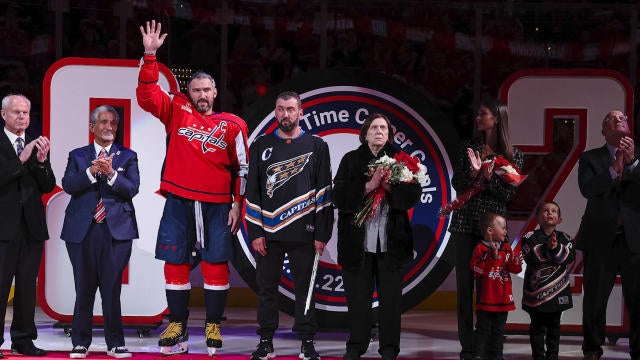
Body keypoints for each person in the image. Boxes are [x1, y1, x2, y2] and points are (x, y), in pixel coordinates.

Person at [136, 20, 249, 356]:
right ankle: (177, 324)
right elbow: (147, 96)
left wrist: (237, 204)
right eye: (196, 89)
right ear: (190, 93)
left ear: (215, 93)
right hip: (179, 200)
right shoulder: (176, 109)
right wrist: (149, 56)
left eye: (207, 90)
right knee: (176, 263)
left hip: (217, 204)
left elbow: (243, 167)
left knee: (216, 264)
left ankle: (213, 324)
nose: (201, 95)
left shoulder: (233, 124)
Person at [245, 91, 332, 360]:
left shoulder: (317, 145)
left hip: (304, 233)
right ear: (275, 111)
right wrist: (256, 232)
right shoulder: (261, 145)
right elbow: (253, 191)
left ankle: (306, 341)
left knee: (305, 290)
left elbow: (324, 191)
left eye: (291, 109)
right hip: (269, 234)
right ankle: (266, 340)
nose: (285, 114)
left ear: (301, 112)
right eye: (281, 109)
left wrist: (321, 233)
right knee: (267, 289)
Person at [333, 113, 421, 360]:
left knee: (391, 302)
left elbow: (412, 196)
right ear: (365, 133)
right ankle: (356, 346)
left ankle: (389, 349)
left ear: (389, 134)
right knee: (358, 300)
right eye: (374, 127)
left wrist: (389, 186)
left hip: (391, 244)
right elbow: (338, 196)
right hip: (357, 244)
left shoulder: (401, 161)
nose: (379, 131)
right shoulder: (351, 160)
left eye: (384, 127)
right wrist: (369, 185)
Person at [60, 105, 140, 359]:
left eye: (113, 123)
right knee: (83, 287)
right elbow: (69, 185)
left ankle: (115, 343)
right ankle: (80, 342)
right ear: (92, 127)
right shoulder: (78, 155)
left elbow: (132, 188)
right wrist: (92, 172)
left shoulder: (127, 156)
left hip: (116, 232)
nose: (109, 127)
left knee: (111, 287)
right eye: (103, 122)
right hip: (81, 231)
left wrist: (112, 174)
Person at [448, 97, 524, 360]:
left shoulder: (513, 156)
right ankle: (468, 349)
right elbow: (457, 183)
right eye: (477, 114)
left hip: (492, 231)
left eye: (482, 114)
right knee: (464, 291)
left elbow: (507, 196)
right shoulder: (467, 147)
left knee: (488, 292)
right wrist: (473, 173)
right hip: (464, 224)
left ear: (496, 118)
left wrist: (489, 179)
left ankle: (488, 347)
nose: (477, 118)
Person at [577, 110, 640, 360]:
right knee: (594, 300)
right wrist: (614, 170)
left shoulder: (639, 156)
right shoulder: (590, 158)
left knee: (637, 301)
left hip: (633, 241)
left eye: (622, 117)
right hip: (600, 240)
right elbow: (588, 188)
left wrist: (632, 162)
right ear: (603, 130)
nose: (618, 119)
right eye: (611, 118)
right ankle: (592, 349)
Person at [0, 94, 55, 357]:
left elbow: (47, 185)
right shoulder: (6, 145)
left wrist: (42, 162)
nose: (22, 117)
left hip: (31, 229)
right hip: (3, 229)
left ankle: (23, 340)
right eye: (16, 112)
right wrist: (20, 160)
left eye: (25, 113)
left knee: (25, 287)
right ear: (3, 115)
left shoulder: (36, 146)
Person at [521, 201, 575, 360]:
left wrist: (556, 249)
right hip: (536, 293)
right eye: (545, 211)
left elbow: (568, 258)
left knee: (555, 326)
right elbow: (531, 258)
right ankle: (538, 356)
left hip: (558, 291)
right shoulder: (529, 237)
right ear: (537, 218)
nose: (549, 213)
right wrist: (548, 249)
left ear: (560, 219)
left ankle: (553, 356)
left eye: (554, 211)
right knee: (537, 327)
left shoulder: (565, 238)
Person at [470, 212, 522, 360]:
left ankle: (497, 355)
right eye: (503, 228)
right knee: (483, 329)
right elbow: (476, 268)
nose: (506, 231)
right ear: (490, 230)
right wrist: (492, 257)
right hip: (487, 299)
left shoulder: (506, 247)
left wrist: (516, 262)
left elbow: (513, 269)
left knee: (499, 330)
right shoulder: (480, 248)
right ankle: (479, 355)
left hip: (503, 299)